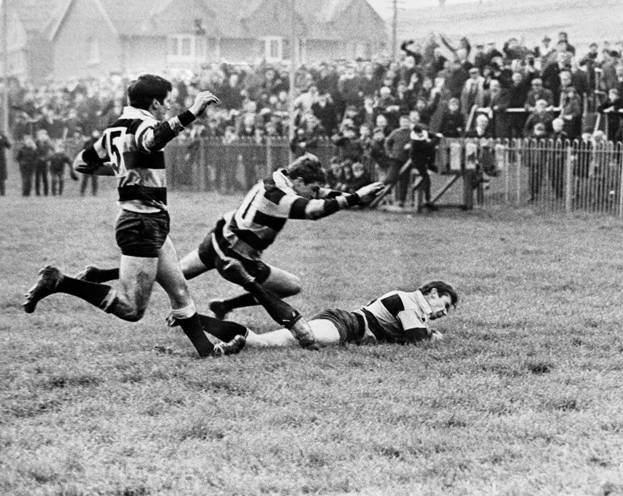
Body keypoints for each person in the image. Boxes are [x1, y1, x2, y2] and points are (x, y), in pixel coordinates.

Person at [22, 74, 242, 358]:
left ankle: (207, 351)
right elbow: (152, 140)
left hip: (150, 220)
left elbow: (82, 162)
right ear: (154, 102)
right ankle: (59, 281)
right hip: (141, 222)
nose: (168, 107)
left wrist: (123, 169)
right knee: (131, 308)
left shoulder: (114, 129)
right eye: (167, 102)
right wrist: (192, 113)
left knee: (180, 292)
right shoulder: (143, 125)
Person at [76, 153, 384, 349]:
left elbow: (318, 195)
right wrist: (355, 196)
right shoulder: (279, 195)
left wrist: (352, 196)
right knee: (291, 286)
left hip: (217, 240)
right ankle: (229, 308)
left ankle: (99, 274)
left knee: (172, 273)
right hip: (236, 255)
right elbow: (313, 210)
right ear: (299, 180)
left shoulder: (277, 179)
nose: (315, 193)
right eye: (312, 187)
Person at [184, 281, 458, 351]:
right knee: (273, 342)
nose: (441, 313)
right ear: (431, 293)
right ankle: (198, 321)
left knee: (262, 342)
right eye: (443, 305)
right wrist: (433, 335)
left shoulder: (407, 301)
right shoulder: (409, 301)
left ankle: (199, 322)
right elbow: (417, 341)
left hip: (345, 323)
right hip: (347, 325)